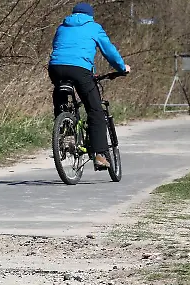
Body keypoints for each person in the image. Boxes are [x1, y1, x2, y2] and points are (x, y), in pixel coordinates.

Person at [48, 2, 130, 170]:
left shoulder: (61, 27)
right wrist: (122, 68)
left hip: (55, 68)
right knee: (95, 110)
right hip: (80, 70)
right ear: (90, 16)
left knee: (61, 99)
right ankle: (100, 154)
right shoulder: (94, 27)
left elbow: (57, 47)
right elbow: (109, 51)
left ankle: (65, 134)